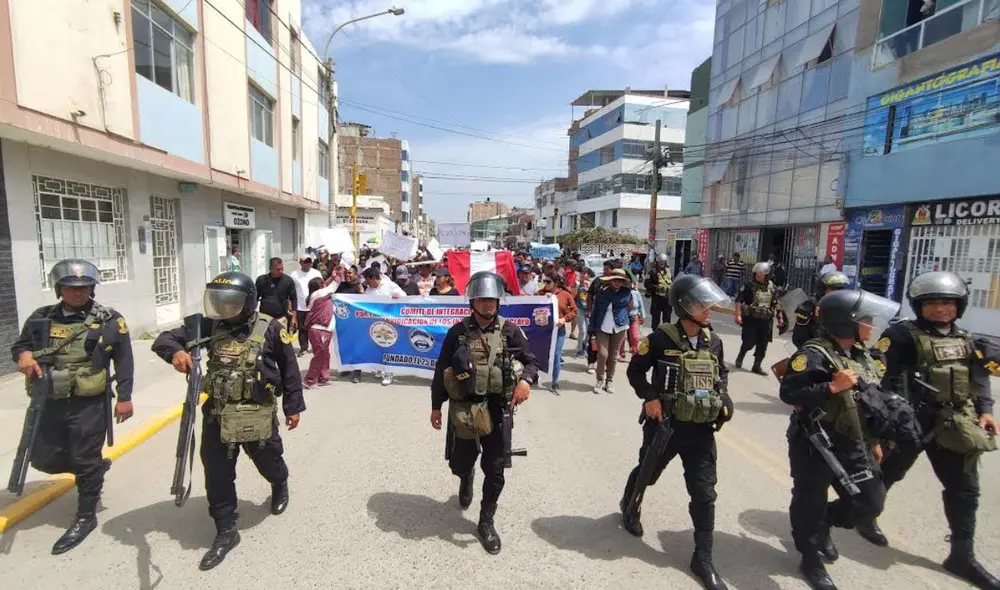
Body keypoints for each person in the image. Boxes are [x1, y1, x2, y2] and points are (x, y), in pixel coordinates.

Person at [856, 271, 1000, 589]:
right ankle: (865, 516)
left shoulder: (968, 340)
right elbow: (875, 367)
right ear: (919, 306)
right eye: (931, 303)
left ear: (959, 306)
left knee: (965, 489)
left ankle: (962, 555)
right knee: (889, 472)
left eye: (947, 303)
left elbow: (979, 379)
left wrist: (986, 411)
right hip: (909, 422)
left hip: (954, 423)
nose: (940, 309)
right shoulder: (901, 335)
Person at [152, 272, 305, 571]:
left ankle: (280, 483)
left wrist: (293, 408)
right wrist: (176, 352)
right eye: (220, 303)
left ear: (248, 303)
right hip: (218, 414)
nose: (225, 309)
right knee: (217, 472)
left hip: (256, 412)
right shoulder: (208, 325)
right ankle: (225, 530)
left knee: (269, 460)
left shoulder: (271, 328)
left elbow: (289, 369)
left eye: (232, 303)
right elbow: (164, 339)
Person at [10, 259, 135, 555]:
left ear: (92, 288)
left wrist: (124, 397)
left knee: (84, 457)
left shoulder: (109, 320)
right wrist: (23, 355)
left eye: (85, 287)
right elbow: (21, 345)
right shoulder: (41, 317)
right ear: (59, 289)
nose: (79, 292)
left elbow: (124, 359)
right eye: (71, 287)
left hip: (88, 403)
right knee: (43, 458)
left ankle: (85, 515)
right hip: (49, 400)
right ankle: (92, 469)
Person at [620, 273, 733, 589]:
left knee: (704, 492)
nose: (708, 310)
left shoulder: (713, 341)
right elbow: (635, 371)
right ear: (684, 307)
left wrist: (724, 400)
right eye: (701, 305)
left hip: (700, 430)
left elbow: (721, 375)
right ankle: (630, 505)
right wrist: (650, 397)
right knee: (648, 472)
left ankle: (703, 557)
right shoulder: (660, 338)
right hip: (665, 425)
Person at [779, 289, 897, 590]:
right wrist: (830, 388)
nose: (871, 325)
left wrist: (873, 439)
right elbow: (789, 393)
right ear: (846, 323)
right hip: (815, 442)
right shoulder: (813, 354)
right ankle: (810, 558)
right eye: (865, 320)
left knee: (870, 500)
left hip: (855, 441)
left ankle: (825, 522)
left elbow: (869, 400)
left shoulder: (860, 355)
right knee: (809, 500)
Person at [429, 271, 538, 554]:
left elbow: (531, 361)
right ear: (472, 302)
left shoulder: (510, 331)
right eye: (482, 299)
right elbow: (441, 370)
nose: (488, 304)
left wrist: (526, 380)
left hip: (498, 410)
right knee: (460, 463)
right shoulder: (457, 332)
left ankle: (486, 521)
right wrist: (436, 406)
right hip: (465, 408)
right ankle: (466, 477)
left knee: (495, 469)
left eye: (492, 299)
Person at [734, 261, 784, 375]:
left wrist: (780, 318)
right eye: (756, 273)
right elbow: (738, 300)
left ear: (767, 275)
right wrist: (737, 315)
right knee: (749, 342)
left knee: (762, 345)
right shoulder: (749, 285)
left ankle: (757, 366)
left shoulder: (772, 287)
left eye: (761, 274)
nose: (758, 275)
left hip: (765, 320)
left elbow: (776, 303)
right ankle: (741, 354)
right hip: (751, 319)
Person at [588, 269, 633, 395]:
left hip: (619, 327)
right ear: (610, 280)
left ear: (623, 282)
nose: (617, 283)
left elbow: (623, 303)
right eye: (614, 280)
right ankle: (600, 380)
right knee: (603, 354)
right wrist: (591, 327)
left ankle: (609, 380)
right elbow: (596, 310)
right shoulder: (602, 293)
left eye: (620, 281)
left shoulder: (626, 293)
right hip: (602, 326)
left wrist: (629, 286)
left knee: (613, 356)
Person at [363, 267, 405, 386]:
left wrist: (397, 297)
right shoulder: (369, 290)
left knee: (388, 346)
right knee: (377, 345)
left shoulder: (389, 285)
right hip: (374, 322)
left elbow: (404, 296)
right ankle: (380, 368)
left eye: (367, 279)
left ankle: (388, 374)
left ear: (373, 278)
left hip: (389, 322)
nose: (366, 282)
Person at [792, 271, 850, 348]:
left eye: (840, 289)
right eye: (833, 289)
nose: (838, 292)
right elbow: (799, 338)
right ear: (822, 290)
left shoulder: (844, 307)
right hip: (816, 350)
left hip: (840, 350)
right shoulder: (809, 306)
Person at [542, 273, 577, 394]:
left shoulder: (565, 295)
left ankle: (555, 382)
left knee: (556, 355)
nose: (545, 284)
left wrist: (564, 319)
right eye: (544, 282)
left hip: (558, 330)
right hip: (543, 331)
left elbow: (574, 311)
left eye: (548, 282)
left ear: (556, 283)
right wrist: (543, 299)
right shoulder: (541, 293)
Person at [303, 277, 338, 388]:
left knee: (325, 355)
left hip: (325, 330)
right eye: (322, 284)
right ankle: (310, 380)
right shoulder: (319, 294)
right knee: (319, 355)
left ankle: (323, 377)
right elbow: (335, 284)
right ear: (319, 287)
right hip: (319, 330)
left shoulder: (321, 295)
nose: (325, 285)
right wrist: (337, 273)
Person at [289, 254, 322, 356]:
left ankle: (316, 347)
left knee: (315, 328)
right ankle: (303, 348)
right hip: (300, 305)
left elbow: (322, 287)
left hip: (314, 305)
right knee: (302, 328)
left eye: (309, 261)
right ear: (300, 263)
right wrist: (289, 303)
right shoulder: (294, 274)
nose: (308, 264)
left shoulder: (316, 273)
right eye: (305, 262)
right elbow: (290, 290)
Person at [255, 257, 296, 328]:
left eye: (282, 269)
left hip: (281, 318)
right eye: (278, 269)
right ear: (270, 268)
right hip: (264, 318)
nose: (280, 271)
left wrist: (294, 318)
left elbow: (294, 299)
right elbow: (255, 297)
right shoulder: (262, 280)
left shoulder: (288, 280)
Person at [619, 278, 646, 361]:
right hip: (623, 318)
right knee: (622, 338)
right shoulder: (620, 294)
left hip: (634, 318)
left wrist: (643, 316)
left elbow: (641, 305)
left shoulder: (635, 293)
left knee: (635, 337)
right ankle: (621, 353)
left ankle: (634, 354)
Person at [644, 253, 672, 327]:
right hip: (657, 298)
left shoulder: (669, 272)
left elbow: (671, 282)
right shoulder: (652, 272)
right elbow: (647, 284)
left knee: (667, 320)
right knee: (656, 319)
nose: (662, 264)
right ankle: (655, 332)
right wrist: (656, 287)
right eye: (660, 262)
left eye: (663, 262)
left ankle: (666, 333)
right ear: (657, 262)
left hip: (667, 299)